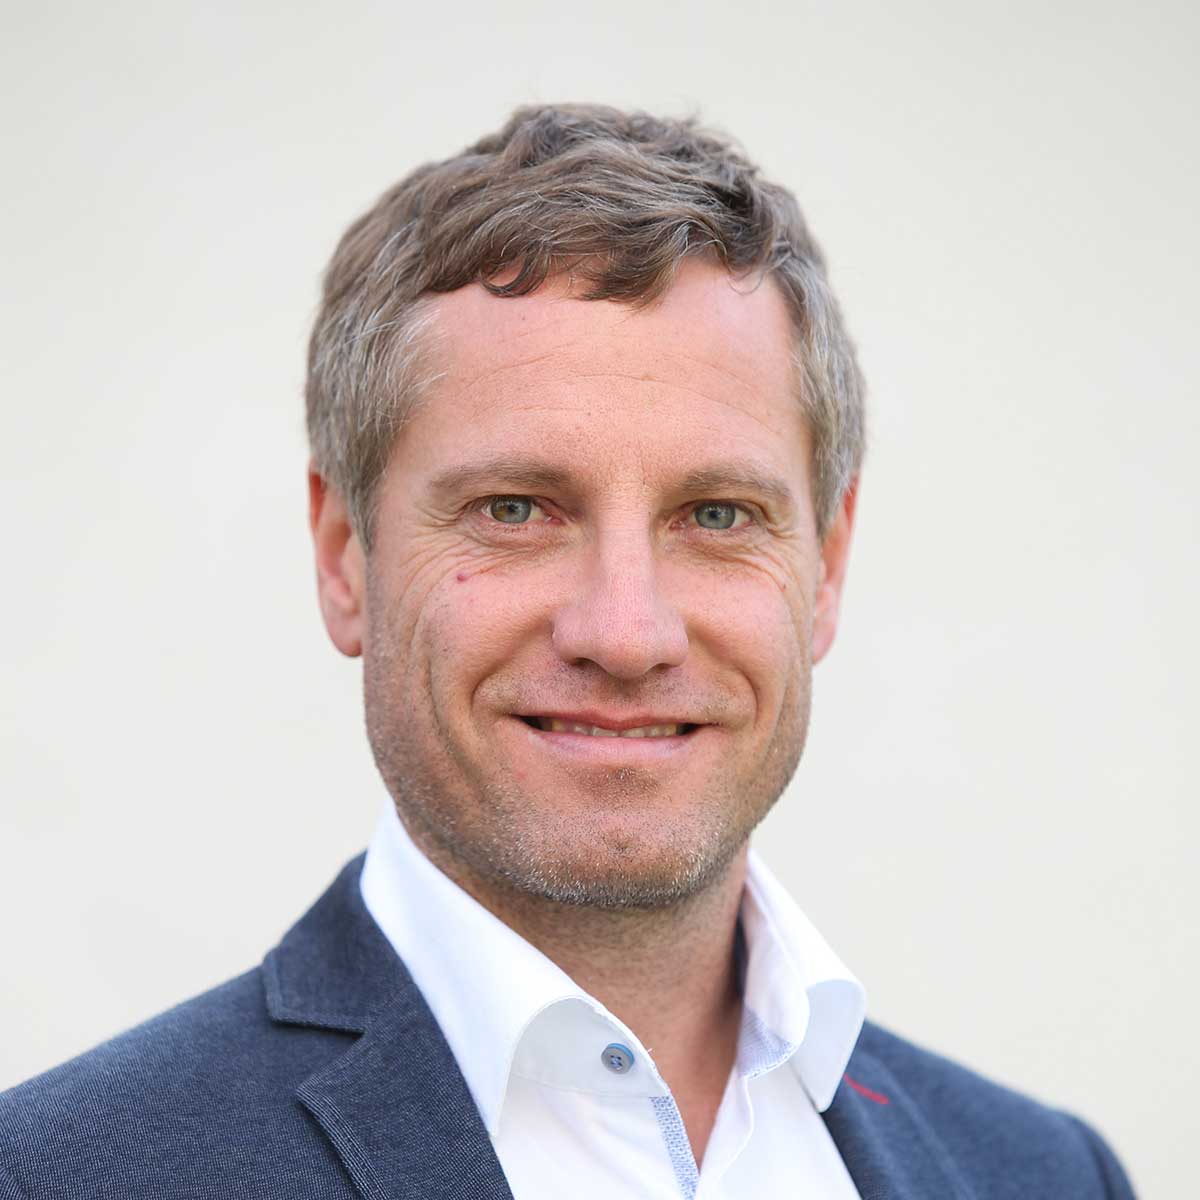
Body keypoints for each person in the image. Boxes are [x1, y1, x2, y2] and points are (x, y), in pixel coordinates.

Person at [0, 103, 1136, 1199]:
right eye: (514, 509)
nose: (627, 634)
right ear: (345, 556)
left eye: (718, 515)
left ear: (825, 568)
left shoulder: (1045, 1176)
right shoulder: (60, 1178)